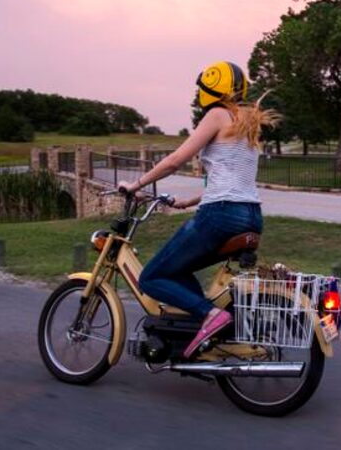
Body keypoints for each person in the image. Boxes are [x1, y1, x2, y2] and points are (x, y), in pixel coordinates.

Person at [117, 61, 278, 358]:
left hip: (221, 215)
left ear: (211, 89)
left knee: (151, 278)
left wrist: (136, 185)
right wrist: (190, 202)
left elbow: (175, 160)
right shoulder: (247, 121)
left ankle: (209, 316)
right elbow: (233, 179)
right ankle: (202, 333)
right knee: (179, 269)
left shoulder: (217, 114)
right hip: (251, 216)